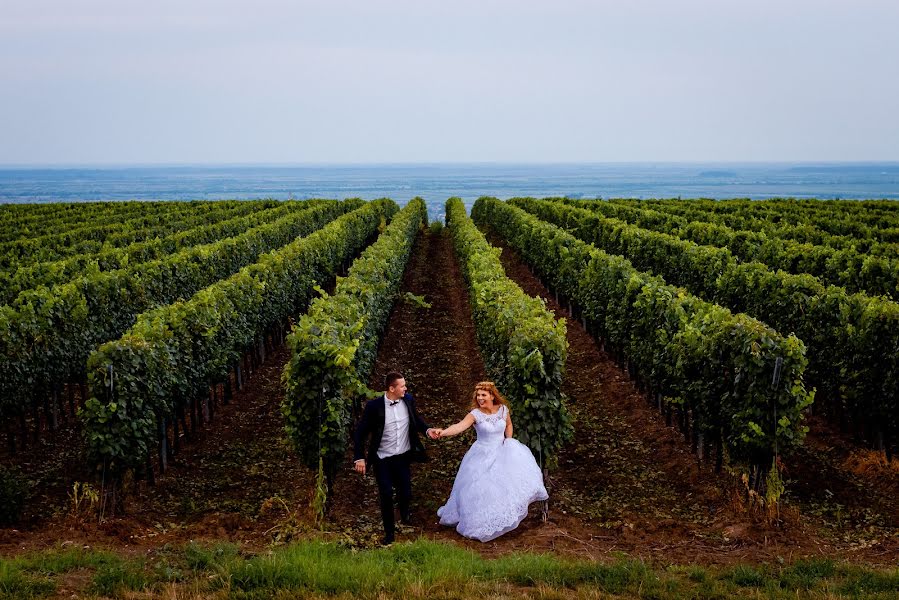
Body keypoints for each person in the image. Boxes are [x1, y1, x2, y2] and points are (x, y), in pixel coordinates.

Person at [434, 381, 548, 542]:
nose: (480, 398)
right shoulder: (475, 414)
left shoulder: (502, 410)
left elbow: (508, 424)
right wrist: (443, 432)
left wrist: (508, 442)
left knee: (504, 485)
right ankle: (480, 520)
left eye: (483, 395)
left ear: (492, 396)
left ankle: (501, 516)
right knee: (480, 488)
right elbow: (459, 426)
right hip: (481, 454)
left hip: (502, 450)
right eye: (478, 395)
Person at [353, 372, 439, 545]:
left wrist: (428, 430)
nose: (405, 388)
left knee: (405, 491)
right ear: (391, 388)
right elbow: (360, 433)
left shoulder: (408, 400)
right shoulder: (374, 407)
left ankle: (405, 513)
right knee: (385, 494)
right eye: (402, 386)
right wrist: (359, 458)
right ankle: (389, 534)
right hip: (382, 458)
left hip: (403, 456)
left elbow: (417, 420)